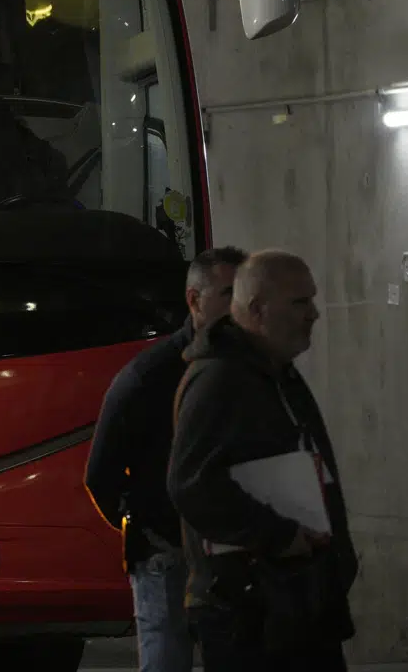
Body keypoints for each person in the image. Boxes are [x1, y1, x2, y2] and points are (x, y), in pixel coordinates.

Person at [167, 250, 358, 671]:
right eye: (300, 302)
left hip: (295, 602)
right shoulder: (219, 379)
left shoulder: (276, 372)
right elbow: (191, 484)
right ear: (257, 310)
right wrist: (279, 535)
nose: (314, 314)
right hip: (251, 613)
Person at [85, 246, 246, 672]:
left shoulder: (251, 370)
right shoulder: (149, 375)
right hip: (167, 554)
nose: (240, 306)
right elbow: (100, 473)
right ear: (195, 300)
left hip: (234, 551)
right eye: (228, 294)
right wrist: (148, 527)